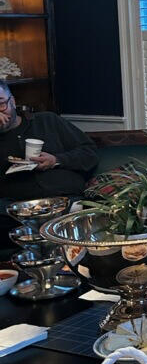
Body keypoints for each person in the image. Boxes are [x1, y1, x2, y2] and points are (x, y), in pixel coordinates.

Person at [0, 79, 98, 251]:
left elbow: (89, 153)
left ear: (13, 101)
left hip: (67, 203)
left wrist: (56, 160)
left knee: (81, 212)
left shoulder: (48, 121)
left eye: (1, 104)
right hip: (18, 212)